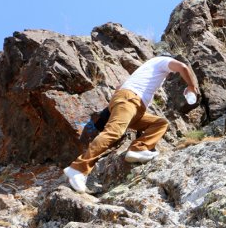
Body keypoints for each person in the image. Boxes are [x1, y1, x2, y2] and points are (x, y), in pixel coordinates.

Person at [64, 55, 199, 193]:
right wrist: (191, 86)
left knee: (160, 123)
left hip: (134, 106)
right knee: (114, 132)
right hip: (130, 100)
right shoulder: (162, 61)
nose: (171, 73)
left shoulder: (145, 71)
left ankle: (138, 149)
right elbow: (183, 67)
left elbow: (118, 88)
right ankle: (78, 168)